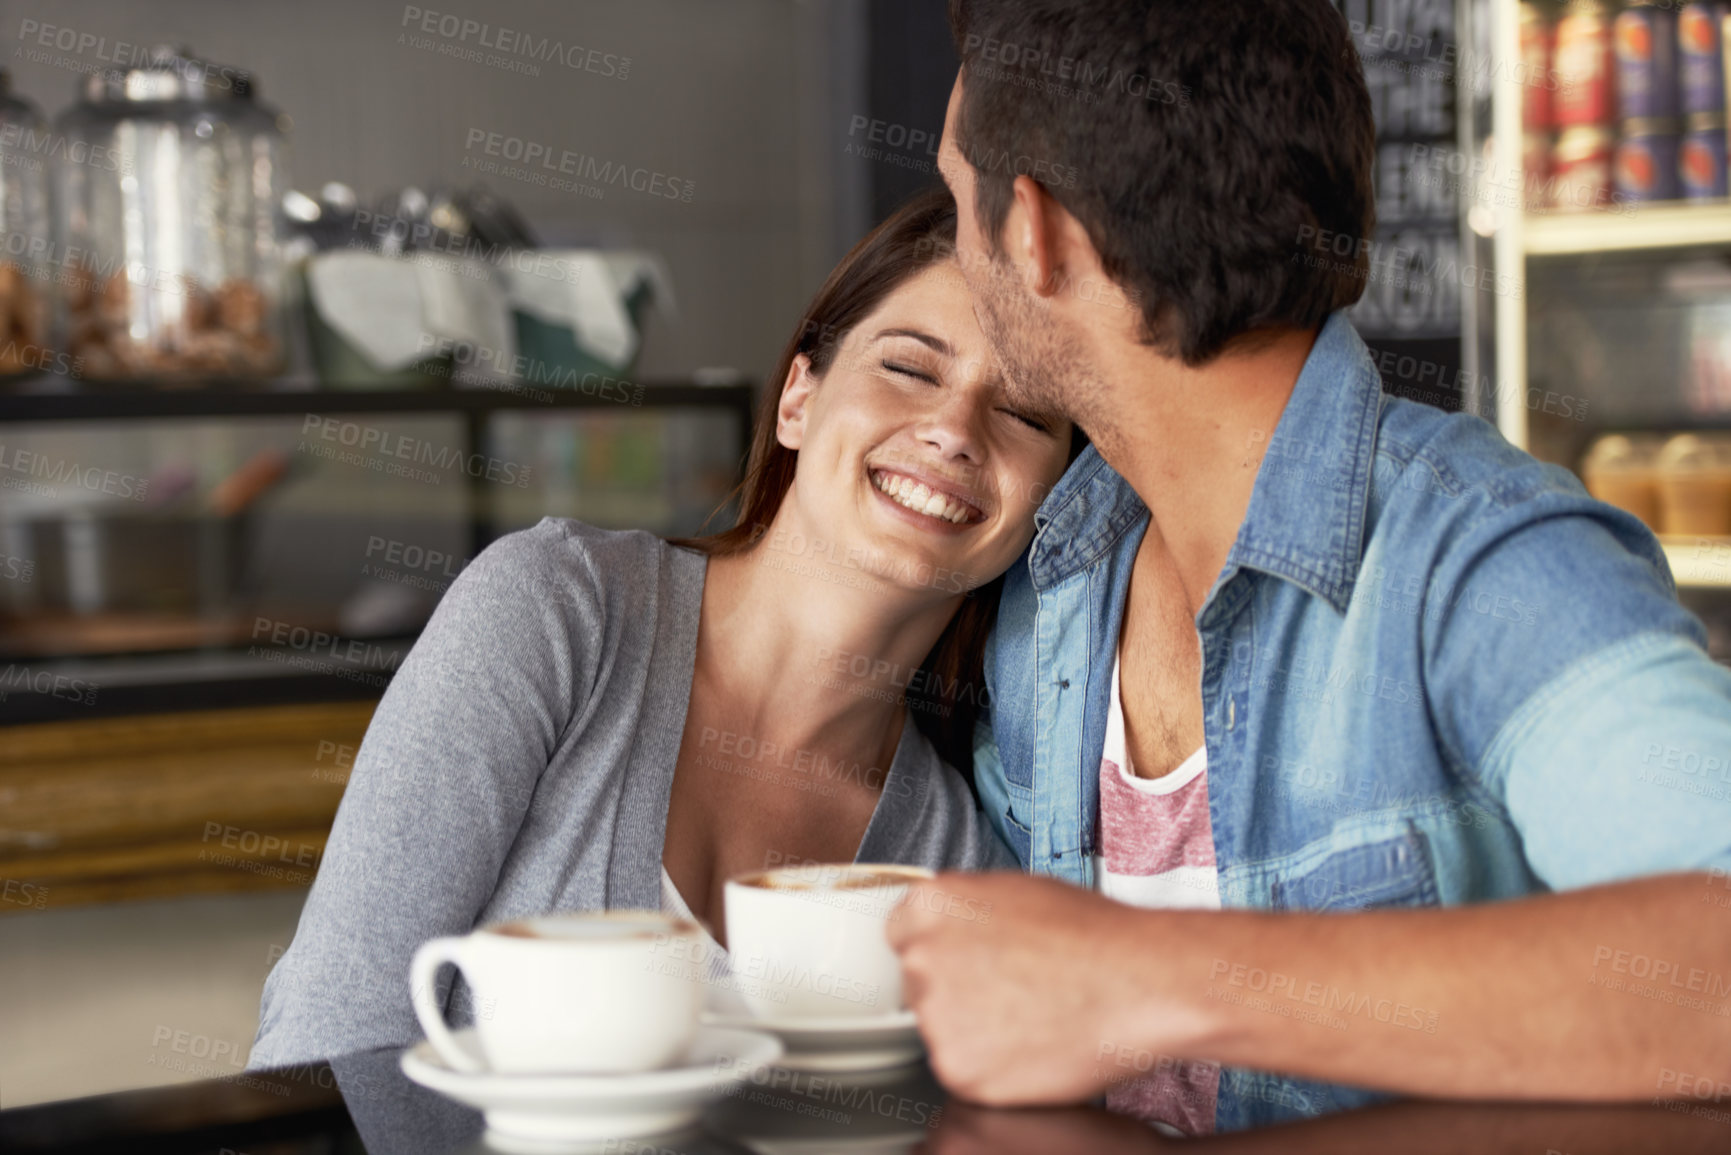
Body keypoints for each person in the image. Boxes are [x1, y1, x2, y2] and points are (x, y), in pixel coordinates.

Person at [887, 0, 1731, 1138]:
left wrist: (1154, 975)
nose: (958, 247)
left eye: (958, 202)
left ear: (1034, 234)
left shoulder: (1480, 565)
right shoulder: (1049, 591)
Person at [247, 187, 1074, 1068]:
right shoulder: (557, 613)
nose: (952, 431)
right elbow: (329, 1038)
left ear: (1058, 493)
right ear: (798, 395)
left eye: (1025, 412)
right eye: (908, 368)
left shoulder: (953, 854)